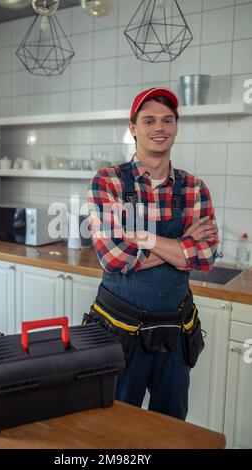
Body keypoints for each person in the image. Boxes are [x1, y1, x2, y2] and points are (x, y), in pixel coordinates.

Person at [87, 87, 218, 420]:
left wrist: (142, 238)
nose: (159, 127)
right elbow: (114, 259)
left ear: (176, 126)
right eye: (149, 120)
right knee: (114, 425)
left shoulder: (194, 188)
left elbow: (205, 257)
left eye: (167, 119)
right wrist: (182, 244)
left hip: (176, 330)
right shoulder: (108, 182)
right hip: (119, 330)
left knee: (171, 428)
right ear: (133, 128)